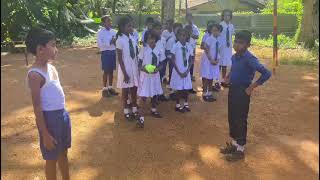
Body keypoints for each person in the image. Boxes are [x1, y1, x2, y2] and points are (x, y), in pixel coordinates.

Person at [26, 28, 71, 180]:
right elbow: (37, 107)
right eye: (53, 45)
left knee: (63, 153)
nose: (56, 49)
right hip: (49, 120)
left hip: (62, 115)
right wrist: (44, 133)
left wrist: (63, 115)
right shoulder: (34, 75)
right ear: (40, 50)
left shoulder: (51, 67)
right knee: (51, 159)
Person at [220, 30, 271, 161]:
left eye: (241, 43)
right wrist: (227, 77)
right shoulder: (234, 56)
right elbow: (233, 70)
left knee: (240, 119)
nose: (237, 45)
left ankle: (240, 150)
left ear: (248, 45)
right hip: (233, 90)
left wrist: (251, 87)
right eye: (235, 41)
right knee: (232, 117)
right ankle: (235, 144)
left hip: (243, 92)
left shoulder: (250, 59)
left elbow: (266, 73)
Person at [116, 16, 144, 127]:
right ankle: (126, 110)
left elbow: (136, 55)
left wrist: (138, 68)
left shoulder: (132, 38)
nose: (131, 27)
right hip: (125, 69)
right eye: (129, 26)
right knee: (125, 90)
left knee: (134, 88)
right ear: (122, 27)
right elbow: (120, 58)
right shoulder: (120, 40)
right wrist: (125, 73)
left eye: (132, 26)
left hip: (133, 68)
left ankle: (134, 107)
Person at [138, 32, 165, 118]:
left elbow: (162, 63)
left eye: (152, 38)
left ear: (156, 39)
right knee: (144, 94)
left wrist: (158, 69)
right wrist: (144, 69)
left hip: (155, 75)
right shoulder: (143, 49)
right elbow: (139, 64)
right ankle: (141, 115)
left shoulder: (159, 49)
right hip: (146, 75)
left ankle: (154, 109)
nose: (151, 40)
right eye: (149, 39)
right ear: (146, 40)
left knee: (155, 92)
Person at [170, 28, 194, 113]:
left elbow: (191, 59)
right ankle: (178, 105)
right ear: (177, 36)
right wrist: (179, 72)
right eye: (180, 35)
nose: (182, 37)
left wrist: (188, 71)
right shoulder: (175, 46)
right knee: (179, 88)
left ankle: (186, 103)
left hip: (186, 71)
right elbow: (172, 59)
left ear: (187, 36)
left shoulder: (189, 46)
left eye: (184, 35)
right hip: (178, 71)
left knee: (186, 88)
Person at [97, 15, 119, 97]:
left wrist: (115, 42)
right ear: (103, 23)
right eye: (108, 21)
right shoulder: (100, 33)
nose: (110, 23)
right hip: (105, 53)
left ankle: (110, 87)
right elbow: (100, 44)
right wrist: (110, 42)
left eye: (110, 21)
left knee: (111, 71)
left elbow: (118, 42)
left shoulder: (114, 32)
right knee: (106, 71)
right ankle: (105, 89)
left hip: (113, 52)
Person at [200, 23, 223, 102]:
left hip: (215, 61)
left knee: (211, 77)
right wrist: (211, 59)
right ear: (211, 31)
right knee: (206, 77)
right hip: (208, 60)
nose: (215, 32)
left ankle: (209, 93)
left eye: (217, 31)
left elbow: (219, 51)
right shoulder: (209, 39)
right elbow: (206, 50)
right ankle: (204, 94)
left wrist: (217, 60)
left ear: (220, 31)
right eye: (213, 30)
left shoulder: (219, 40)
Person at [219, 9, 235, 88]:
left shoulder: (231, 26)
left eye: (228, 15)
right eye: (225, 15)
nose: (227, 17)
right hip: (221, 46)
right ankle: (217, 80)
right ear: (223, 16)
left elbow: (231, 35)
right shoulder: (220, 25)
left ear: (230, 17)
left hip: (228, 47)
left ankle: (223, 80)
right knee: (220, 63)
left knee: (225, 63)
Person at [185, 13, 200, 83]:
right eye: (188, 17)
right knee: (186, 59)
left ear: (192, 18)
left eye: (190, 17)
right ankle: (186, 73)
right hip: (186, 46)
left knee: (192, 60)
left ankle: (191, 74)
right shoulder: (184, 26)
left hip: (193, 46)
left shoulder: (195, 27)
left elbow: (197, 36)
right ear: (186, 18)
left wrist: (191, 34)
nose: (189, 19)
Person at [160, 19, 174, 85]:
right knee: (163, 66)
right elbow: (162, 42)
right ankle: (163, 78)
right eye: (167, 24)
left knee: (171, 66)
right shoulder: (164, 32)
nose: (168, 25)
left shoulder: (174, 32)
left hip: (172, 52)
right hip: (165, 51)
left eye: (169, 24)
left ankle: (171, 80)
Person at [184, 24, 197, 94]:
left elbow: (194, 49)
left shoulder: (192, 40)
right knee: (185, 73)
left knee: (190, 73)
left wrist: (193, 58)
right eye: (187, 31)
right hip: (184, 59)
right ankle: (183, 88)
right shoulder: (183, 40)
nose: (189, 32)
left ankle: (190, 87)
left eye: (190, 31)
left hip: (190, 59)